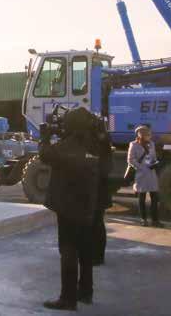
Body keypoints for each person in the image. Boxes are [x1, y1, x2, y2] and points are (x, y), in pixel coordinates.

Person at [40, 107, 99, 311]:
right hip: (88, 206)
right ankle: (86, 292)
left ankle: (68, 298)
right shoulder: (94, 144)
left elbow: (45, 155)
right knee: (85, 252)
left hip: (68, 207)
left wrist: (45, 137)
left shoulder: (67, 146)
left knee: (68, 251)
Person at [89, 119, 113, 266]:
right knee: (98, 224)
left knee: (93, 225)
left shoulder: (93, 144)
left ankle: (94, 257)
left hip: (93, 192)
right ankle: (99, 257)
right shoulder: (105, 143)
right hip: (101, 192)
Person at [128, 125, 162, 227]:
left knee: (154, 198)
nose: (149, 137)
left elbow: (154, 157)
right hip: (141, 174)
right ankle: (144, 220)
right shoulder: (133, 145)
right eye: (147, 135)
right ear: (141, 135)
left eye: (149, 134)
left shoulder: (151, 144)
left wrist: (155, 163)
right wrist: (141, 167)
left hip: (151, 174)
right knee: (141, 197)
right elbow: (130, 160)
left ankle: (155, 220)